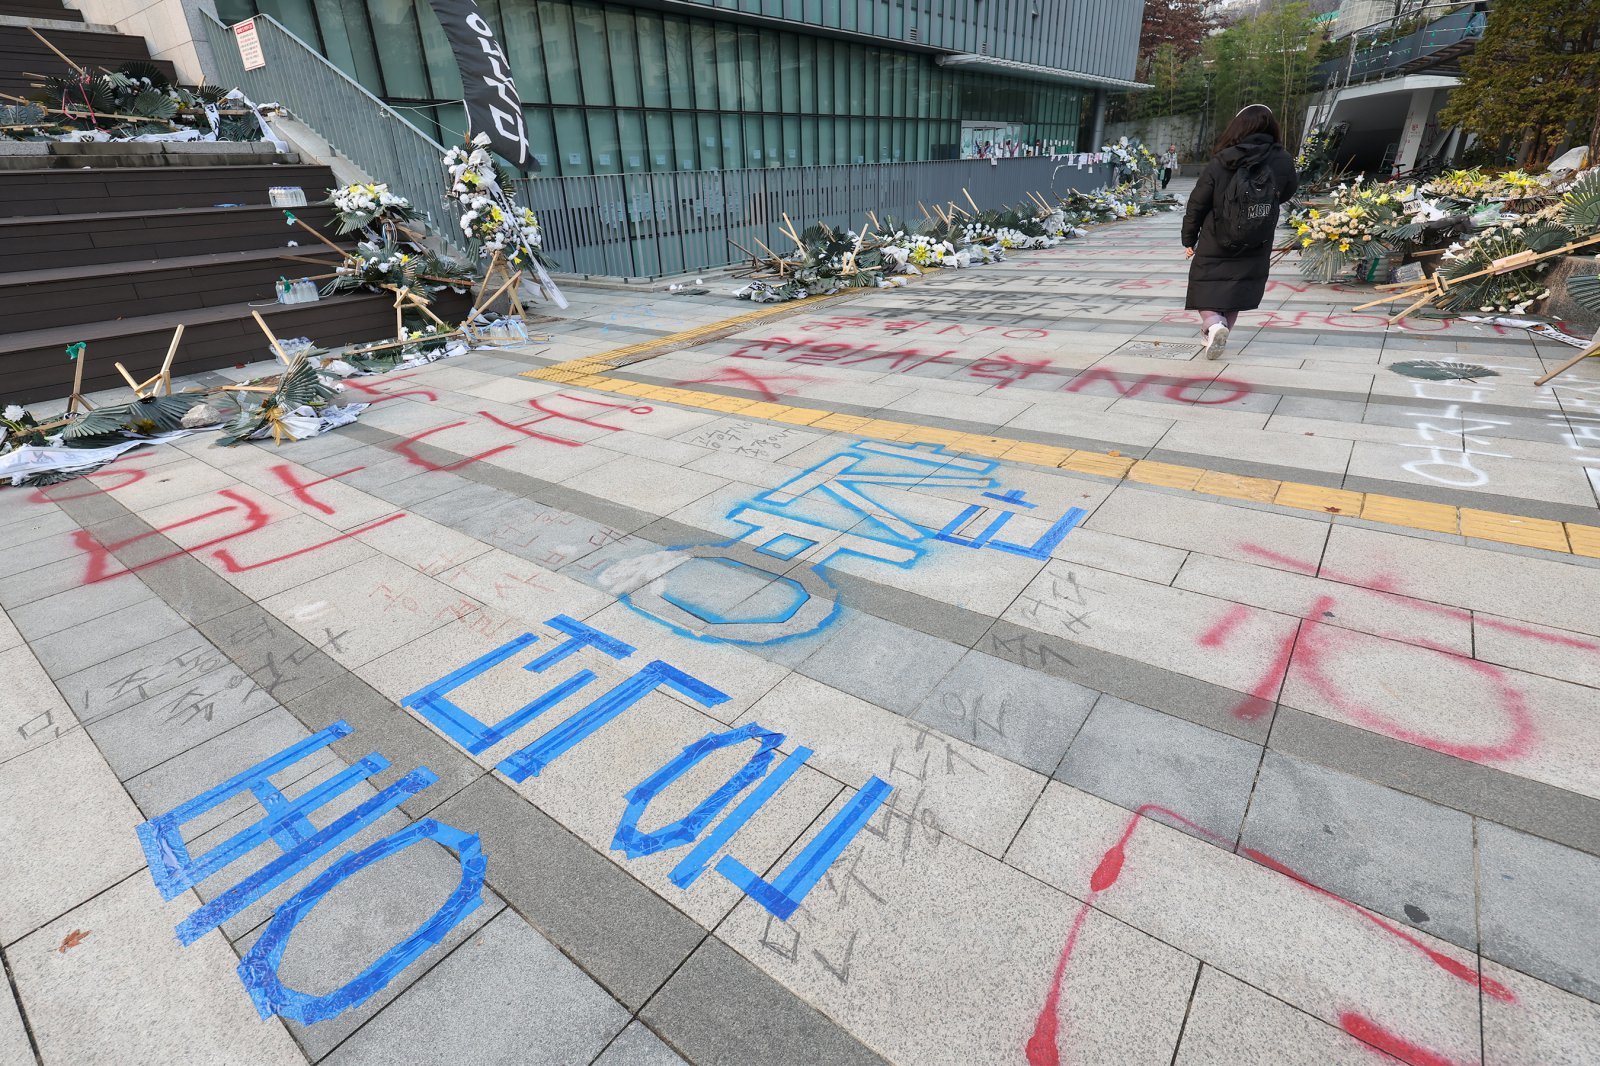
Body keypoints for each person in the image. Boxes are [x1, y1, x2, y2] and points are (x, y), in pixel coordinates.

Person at [1182, 104, 1297, 359]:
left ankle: (1213, 325)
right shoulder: (1282, 159)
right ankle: (1219, 331)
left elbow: (1198, 202)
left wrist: (1189, 237)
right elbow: (1288, 191)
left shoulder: (1223, 159)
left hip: (1217, 234)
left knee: (1205, 288)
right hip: (1258, 236)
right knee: (1236, 290)